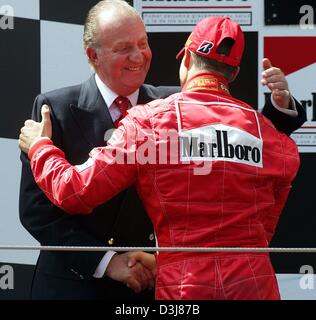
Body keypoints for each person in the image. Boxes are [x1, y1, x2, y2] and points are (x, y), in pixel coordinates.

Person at [19, 0, 305, 300]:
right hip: (86, 285)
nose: (137, 55)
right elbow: (263, 206)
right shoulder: (56, 107)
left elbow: (74, 191)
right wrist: (110, 262)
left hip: (181, 288)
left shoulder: (154, 116)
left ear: (186, 59)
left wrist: (40, 147)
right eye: (123, 47)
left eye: (143, 43)